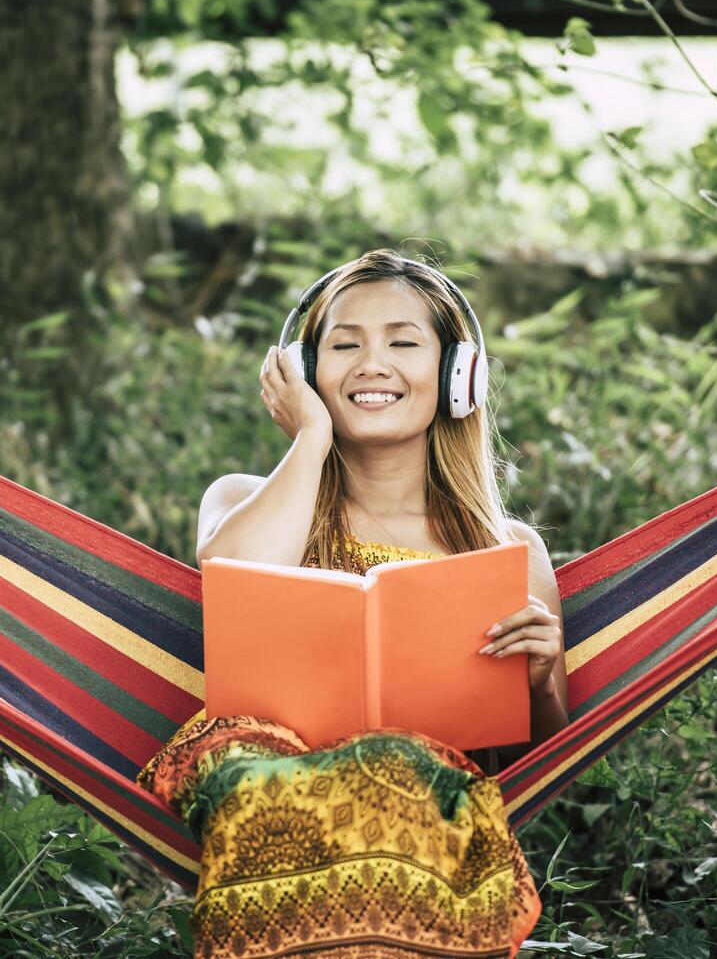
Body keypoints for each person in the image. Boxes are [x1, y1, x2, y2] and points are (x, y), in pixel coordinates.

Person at [137, 249, 570, 957]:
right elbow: (232, 574)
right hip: (262, 777)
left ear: (459, 377)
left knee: (397, 772)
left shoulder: (502, 548)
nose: (372, 363)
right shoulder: (242, 498)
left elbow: (549, 761)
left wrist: (537, 679)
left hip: (418, 797)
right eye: (343, 346)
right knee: (265, 780)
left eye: (403, 342)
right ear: (304, 375)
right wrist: (311, 437)